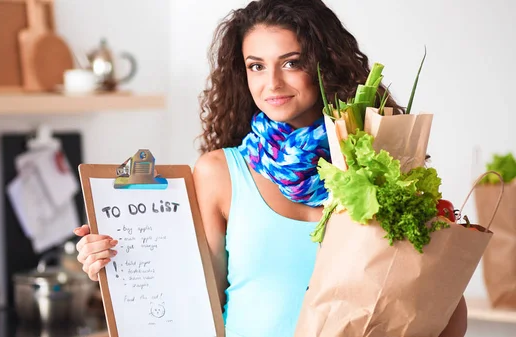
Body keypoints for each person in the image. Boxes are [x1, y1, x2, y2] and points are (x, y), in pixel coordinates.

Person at [74, 0, 468, 336]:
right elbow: (192, 302)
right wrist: (121, 269)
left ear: (324, 66)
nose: (272, 83)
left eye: (291, 62)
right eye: (256, 66)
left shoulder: (382, 165)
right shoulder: (219, 174)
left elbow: (446, 312)